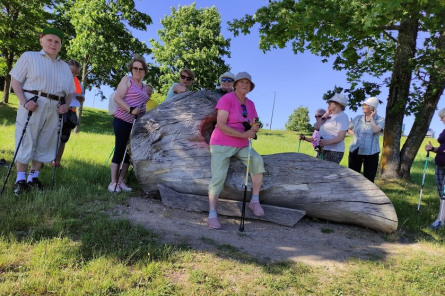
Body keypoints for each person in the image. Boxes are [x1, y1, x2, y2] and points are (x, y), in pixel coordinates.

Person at [9, 27, 74, 195]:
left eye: (57, 42)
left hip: (55, 107)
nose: (53, 44)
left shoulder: (65, 67)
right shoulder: (29, 57)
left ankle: (33, 179)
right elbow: (15, 82)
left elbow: (71, 91)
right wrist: (24, 102)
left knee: (46, 142)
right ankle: (20, 180)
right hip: (33, 103)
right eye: (50, 40)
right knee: (26, 140)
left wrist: (66, 105)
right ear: (41, 40)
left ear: (60, 45)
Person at [207, 72, 266, 229]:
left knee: (257, 161)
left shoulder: (251, 104)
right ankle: (212, 214)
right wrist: (243, 134)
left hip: (242, 144)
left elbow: (254, 121)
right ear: (235, 84)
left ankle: (254, 200)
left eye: (248, 83)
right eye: (242, 82)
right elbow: (220, 124)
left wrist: (255, 127)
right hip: (221, 143)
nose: (245, 85)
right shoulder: (226, 99)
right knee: (218, 177)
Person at [109, 55, 150, 192]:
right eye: (135, 68)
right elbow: (118, 98)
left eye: (141, 69)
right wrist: (131, 109)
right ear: (131, 69)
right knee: (120, 149)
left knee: (129, 153)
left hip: (136, 124)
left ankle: (121, 181)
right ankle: (113, 183)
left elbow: (142, 104)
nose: (138, 71)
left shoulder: (144, 87)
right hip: (122, 120)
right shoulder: (127, 80)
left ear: (145, 71)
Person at [53, 59, 86, 167]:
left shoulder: (78, 84)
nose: (73, 74)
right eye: (72, 71)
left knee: (63, 139)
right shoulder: (57, 78)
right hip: (56, 111)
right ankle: (42, 161)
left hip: (69, 114)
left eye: (76, 73)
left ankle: (56, 162)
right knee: (50, 137)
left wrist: (81, 99)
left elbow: (81, 98)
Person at [348, 97, 385, 182]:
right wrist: (355, 135)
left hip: (371, 152)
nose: (362, 106)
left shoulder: (380, 119)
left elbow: (376, 130)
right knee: (352, 177)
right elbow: (348, 128)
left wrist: (371, 118)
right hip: (355, 150)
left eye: (365, 105)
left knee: (369, 178)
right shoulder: (358, 118)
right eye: (363, 105)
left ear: (373, 108)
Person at [314, 94, 349, 164]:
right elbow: (316, 127)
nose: (328, 104)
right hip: (322, 149)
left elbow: (341, 136)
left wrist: (327, 142)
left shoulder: (343, 116)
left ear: (338, 104)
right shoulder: (329, 117)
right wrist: (326, 114)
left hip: (334, 151)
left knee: (326, 173)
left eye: (331, 102)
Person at [425, 109, 445, 230]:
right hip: (440, 165)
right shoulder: (444, 130)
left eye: (442, 117)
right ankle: (441, 218)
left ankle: (440, 221)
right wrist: (432, 148)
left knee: (444, 194)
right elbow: (442, 148)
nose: (441, 119)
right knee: (441, 193)